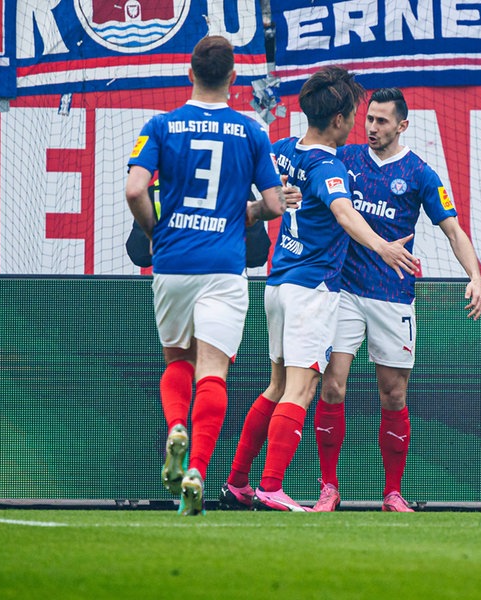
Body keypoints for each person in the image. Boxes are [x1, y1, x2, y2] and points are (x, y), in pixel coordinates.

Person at [220, 67, 419, 512]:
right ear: (338, 121)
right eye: (354, 115)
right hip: (311, 289)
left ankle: (237, 482)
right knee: (301, 390)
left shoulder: (284, 150)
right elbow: (345, 214)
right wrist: (384, 247)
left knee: (275, 387)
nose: (359, 123)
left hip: (277, 283)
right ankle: (271, 486)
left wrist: (256, 209)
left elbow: (251, 190)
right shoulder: (329, 164)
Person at [300, 88, 481, 512]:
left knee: (394, 395)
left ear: (402, 125)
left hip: (393, 295)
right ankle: (328, 487)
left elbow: (453, 230)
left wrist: (474, 275)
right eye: (369, 119)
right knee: (332, 386)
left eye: (382, 121)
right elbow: (307, 189)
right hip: (344, 289)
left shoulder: (419, 173)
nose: (371, 128)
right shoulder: (343, 160)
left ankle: (392, 493)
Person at [124, 35, 286, 516]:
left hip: (173, 264)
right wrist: (246, 215)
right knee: (213, 371)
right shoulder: (252, 130)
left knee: (178, 359)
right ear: (234, 79)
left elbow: (135, 189)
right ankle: (196, 467)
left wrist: (156, 232)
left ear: (189, 74)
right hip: (224, 268)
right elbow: (275, 204)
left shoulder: (161, 125)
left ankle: (177, 426)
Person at [125, 181, 276, 270]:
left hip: (174, 283)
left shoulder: (157, 191)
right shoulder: (238, 190)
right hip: (224, 283)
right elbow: (257, 256)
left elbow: (139, 255)